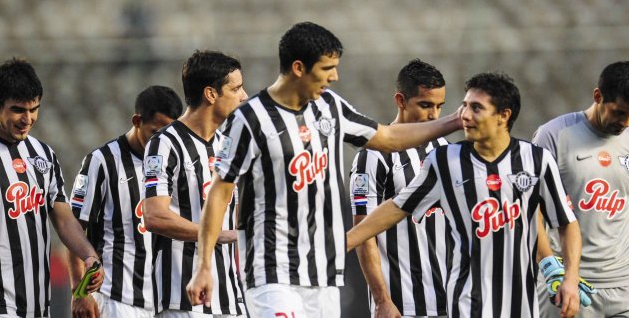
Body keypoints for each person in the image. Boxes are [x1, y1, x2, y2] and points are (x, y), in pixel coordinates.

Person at [186, 22, 463, 318]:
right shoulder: (249, 118)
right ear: (298, 68)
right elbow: (220, 192)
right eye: (326, 68)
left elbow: (389, 137)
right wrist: (204, 265)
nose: (334, 76)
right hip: (272, 270)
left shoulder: (330, 106)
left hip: (323, 273)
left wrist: (455, 121)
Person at [347, 73, 583, 318]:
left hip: (521, 304)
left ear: (504, 115)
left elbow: (564, 222)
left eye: (477, 108)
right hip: (465, 303)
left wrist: (568, 276)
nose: (465, 115)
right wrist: (345, 243)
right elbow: (397, 207)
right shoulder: (446, 160)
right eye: (465, 106)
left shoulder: (537, 160)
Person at [534, 61, 629, 317]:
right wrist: (550, 267)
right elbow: (532, 212)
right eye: (619, 112)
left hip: (623, 284)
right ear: (598, 96)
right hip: (570, 282)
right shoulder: (554, 135)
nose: (626, 122)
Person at [142, 50, 248, 317]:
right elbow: (154, 216)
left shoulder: (228, 145)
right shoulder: (165, 143)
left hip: (229, 297)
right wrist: (217, 234)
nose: (244, 96)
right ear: (211, 94)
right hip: (181, 297)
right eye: (236, 89)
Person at [0, 58, 104, 318]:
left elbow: (64, 220)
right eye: (18, 110)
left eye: (34, 109)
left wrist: (88, 254)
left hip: (38, 304)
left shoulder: (42, 155)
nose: (28, 118)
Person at [68, 85, 183, 318]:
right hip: (117, 299)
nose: (162, 142)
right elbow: (74, 227)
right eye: (155, 132)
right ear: (137, 120)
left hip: (165, 300)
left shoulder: (175, 163)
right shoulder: (102, 161)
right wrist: (79, 291)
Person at [349, 59, 451, 318]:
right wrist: (382, 299)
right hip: (401, 304)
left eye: (439, 107)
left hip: (450, 300)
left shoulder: (444, 152)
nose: (434, 115)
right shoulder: (374, 156)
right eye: (425, 105)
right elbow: (363, 233)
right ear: (401, 100)